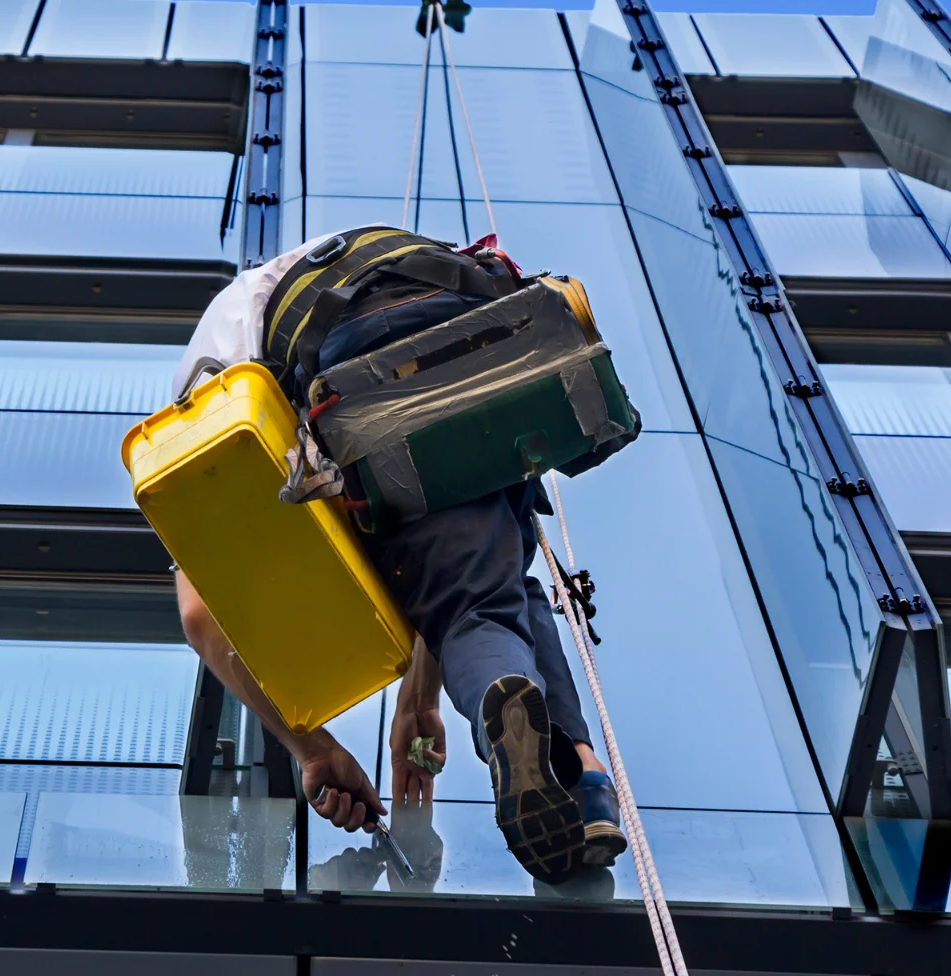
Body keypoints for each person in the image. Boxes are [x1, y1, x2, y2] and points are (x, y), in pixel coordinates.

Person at [172, 226, 627, 885]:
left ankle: (526, 725)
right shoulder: (348, 254)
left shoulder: (206, 391)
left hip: (355, 364)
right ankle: (582, 781)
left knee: (472, 599)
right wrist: (419, 704)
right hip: (475, 330)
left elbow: (200, 618)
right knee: (492, 581)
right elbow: (439, 568)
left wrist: (314, 750)